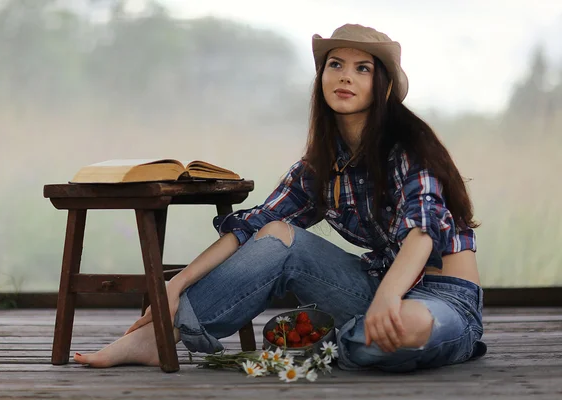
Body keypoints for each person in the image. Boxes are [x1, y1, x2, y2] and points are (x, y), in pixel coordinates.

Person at [74, 23, 486, 372]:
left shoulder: (408, 144)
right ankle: (161, 337)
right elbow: (251, 229)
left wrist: (388, 299)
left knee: (395, 335)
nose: (346, 76)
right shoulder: (320, 165)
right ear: (321, 76)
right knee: (277, 232)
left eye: (363, 69)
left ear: (383, 86)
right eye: (335, 65)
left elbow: (423, 232)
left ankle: (321, 339)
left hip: (442, 296)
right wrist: (174, 284)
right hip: (375, 287)